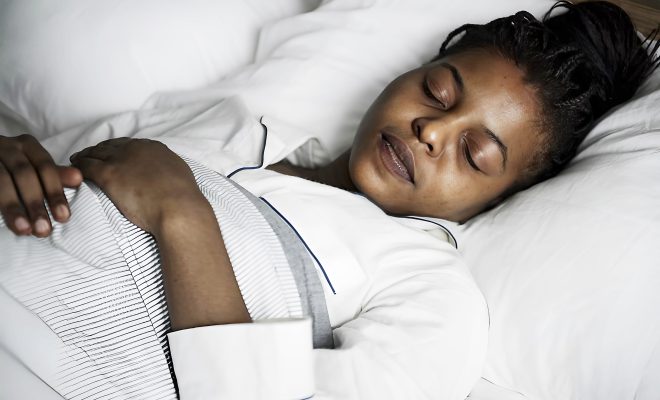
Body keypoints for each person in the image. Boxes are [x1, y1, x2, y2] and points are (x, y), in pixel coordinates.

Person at [0, 1, 658, 399]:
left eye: (475, 154)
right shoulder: (229, 121)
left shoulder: (432, 293)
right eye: (436, 93)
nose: (431, 131)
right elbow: (42, 176)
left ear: (502, 196)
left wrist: (183, 215)